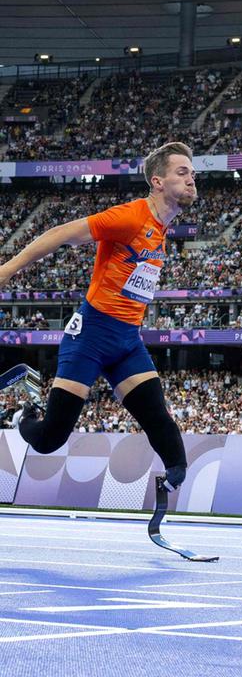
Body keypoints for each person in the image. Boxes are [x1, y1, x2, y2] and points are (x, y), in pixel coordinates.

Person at [0, 141, 197, 495]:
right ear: (157, 181)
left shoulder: (161, 228)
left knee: (162, 426)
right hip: (90, 337)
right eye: (182, 172)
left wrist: (174, 475)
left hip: (127, 342)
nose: (191, 179)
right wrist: (7, 269)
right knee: (48, 439)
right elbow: (61, 233)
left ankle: (172, 480)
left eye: (193, 173)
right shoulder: (130, 217)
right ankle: (21, 415)